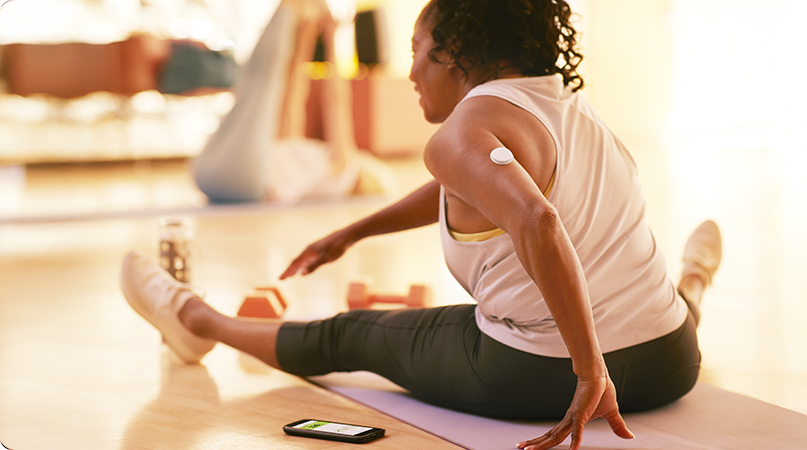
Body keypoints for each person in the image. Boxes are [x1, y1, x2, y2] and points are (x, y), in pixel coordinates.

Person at [120, 1, 723, 449]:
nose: (410, 71)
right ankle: (694, 280)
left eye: (417, 48)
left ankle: (196, 320)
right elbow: (477, 184)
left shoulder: (460, 134)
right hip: (670, 357)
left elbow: (536, 218)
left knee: (349, 334)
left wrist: (590, 371)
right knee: (666, 299)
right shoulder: (570, 110)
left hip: (544, 376)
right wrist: (353, 232)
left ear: (452, 52)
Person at [192, 0, 392, 203]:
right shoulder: (311, 167)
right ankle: (287, 9)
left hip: (246, 181)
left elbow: (336, 103)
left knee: (261, 83)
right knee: (261, 87)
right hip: (211, 177)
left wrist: (332, 39)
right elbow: (292, 102)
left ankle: (288, 6)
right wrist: (305, 37)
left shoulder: (346, 169)